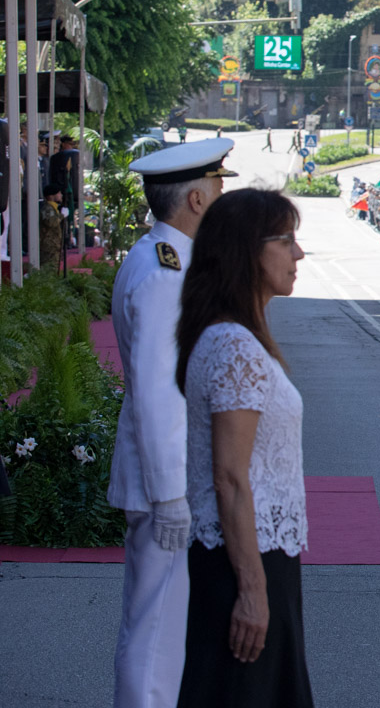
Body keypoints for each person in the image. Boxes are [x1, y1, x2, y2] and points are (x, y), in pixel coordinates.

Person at [109, 139, 236, 708]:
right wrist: (171, 496)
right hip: (167, 481)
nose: (222, 200)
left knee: (161, 623)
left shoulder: (159, 258)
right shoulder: (165, 273)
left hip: (167, 476)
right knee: (156, 628)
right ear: (194, 198)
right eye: (218, 190)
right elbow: (160, 392)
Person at [174, 188, 311, 705]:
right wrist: (253, 591)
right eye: (286, 240)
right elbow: (230, 478)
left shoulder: (232, 336)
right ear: (246, 251)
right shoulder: (233, 346)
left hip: (252, 551)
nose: (298, 254)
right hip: (244, 559)